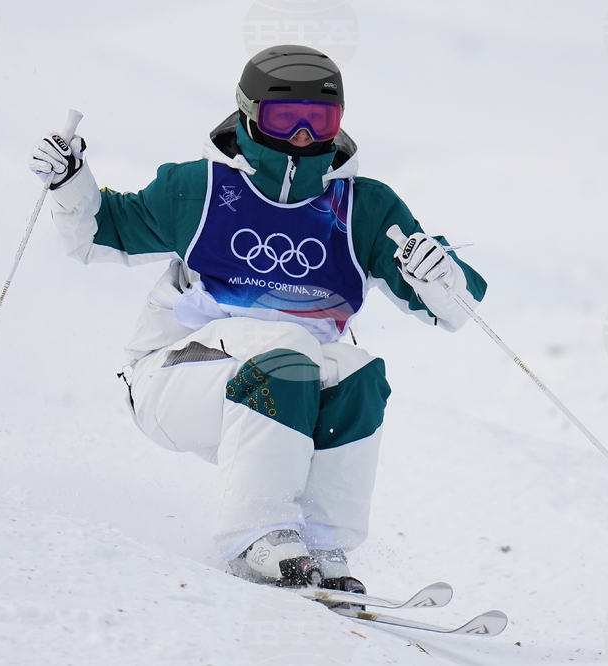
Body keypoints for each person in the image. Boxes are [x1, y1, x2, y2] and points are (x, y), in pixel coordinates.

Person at [29, 45, 487, 592]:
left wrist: (440, 276)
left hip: (282, 383)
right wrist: (70, 182)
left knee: (358, 373)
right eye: (283, 118)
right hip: (175, 375)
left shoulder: (360, 208)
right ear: (249, 115)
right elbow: (100, 232)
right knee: (288, 356)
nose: (300, 136)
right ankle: (257, 537)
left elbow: (455, 313)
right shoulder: (201, 190)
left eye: (318, 120)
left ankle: (321, 543)